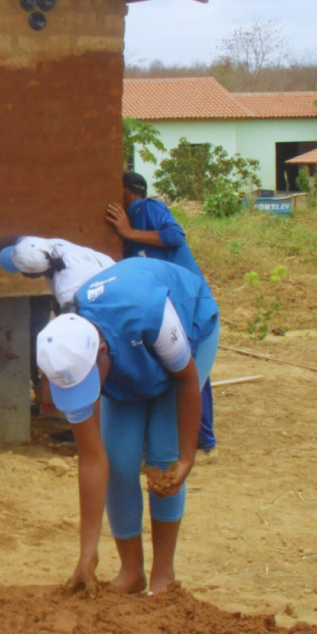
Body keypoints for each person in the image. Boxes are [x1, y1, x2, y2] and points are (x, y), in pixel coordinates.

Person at [36, 258, 220, 595]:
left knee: (163, 462)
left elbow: (187, 380)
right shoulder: (68, 352)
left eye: (87, 385)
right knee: (119, 463)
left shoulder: (148, 313)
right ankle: (131, 572)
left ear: (103, 354)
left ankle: (164, 575)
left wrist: (187, 458)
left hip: (188, 332)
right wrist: (86, 554)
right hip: (130, 354)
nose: (85, 398)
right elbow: (94, 460)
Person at [106, 172, 217, 460]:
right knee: (182, 370)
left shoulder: (145, 209)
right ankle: (199, 440)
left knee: (187, 370)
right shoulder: (131, 224)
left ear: (126, 191)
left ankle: (201, 442)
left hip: (186, 304)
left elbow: (174, 235)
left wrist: (129, 232)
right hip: (169, 306)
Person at [0, 235, 116, 310]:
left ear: (32, 275)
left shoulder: (66, 291)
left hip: (115, 295)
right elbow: (8, 240)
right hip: (119, 270)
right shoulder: (47, 247)